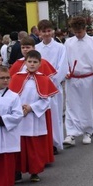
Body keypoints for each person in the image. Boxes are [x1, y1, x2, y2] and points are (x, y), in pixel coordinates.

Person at [9, 50, 58, 183]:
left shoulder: (44, 78)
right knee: (18, 145)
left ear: (39, 64)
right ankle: (17, 171)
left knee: (34, 146)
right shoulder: (16, 77)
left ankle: (34, 171)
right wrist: (19, 108)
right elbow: (11, 97)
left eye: (35, 62)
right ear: (25, 62)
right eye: (29, 61)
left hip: (35, 117)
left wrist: (31, 108)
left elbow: (46, 100)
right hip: (19, 116)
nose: (32, 64)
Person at [63, 16, 93, 145]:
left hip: (88, 79)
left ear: (85, 29)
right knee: (71, 106)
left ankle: (87, 131)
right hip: (72, 79)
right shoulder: (68, 43)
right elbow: (64, 61)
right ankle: (71, 133)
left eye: (79, 32)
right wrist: (65, 72)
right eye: (75, 32)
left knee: (87, 106)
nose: (77, 35)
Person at [35, 20, 68, 153]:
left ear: (53, 31)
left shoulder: (60, 47)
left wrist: (52, 82)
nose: (47, 34)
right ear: (39, 33)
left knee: (55, 115)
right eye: (44, 31)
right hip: (38, 87)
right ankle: (43, 143)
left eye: (49, 31)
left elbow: (62, 67)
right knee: (41, 116)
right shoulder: (36, 48)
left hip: (53, 87)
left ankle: (54, 142)